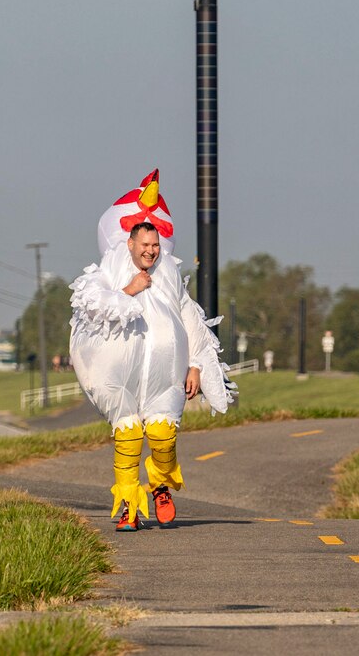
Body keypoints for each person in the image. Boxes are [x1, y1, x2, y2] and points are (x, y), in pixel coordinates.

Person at [69, 170, 235, 532]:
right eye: (144, 244)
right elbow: (90, 305)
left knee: (162, 437)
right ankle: (129, 505)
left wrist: (195, 365)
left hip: (164, 375)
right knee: (128, 436)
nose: (150, 251)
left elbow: (190, 318)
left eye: (155, 245)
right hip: (119, 379)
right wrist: (129, 290)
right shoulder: (108, 273)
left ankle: (160, 484)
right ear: (128, 243)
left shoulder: (169, 276)